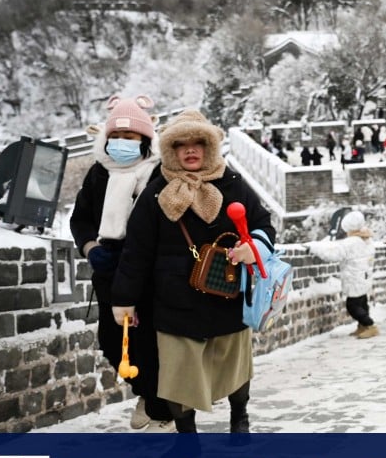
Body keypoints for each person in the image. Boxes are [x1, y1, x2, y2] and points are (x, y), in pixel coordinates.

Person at [111, 109, 275, 435]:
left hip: (226, 290)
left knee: (235, 363)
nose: (190, 150)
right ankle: (187, 437)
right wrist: (124, 299)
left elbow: (263, 225)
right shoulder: (156, 193)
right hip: (174, 300)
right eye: (180, 144)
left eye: (198, 142)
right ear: (170, 150)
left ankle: (239, 418)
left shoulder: (233, 184)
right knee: (178, 374)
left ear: (209, 147)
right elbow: (136, 251)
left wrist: (253, 248)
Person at [70, 94, 172, 432]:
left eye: (129, 136)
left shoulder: (159, 173)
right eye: (115, 136)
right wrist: (90, 248)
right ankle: (146, 393)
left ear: (145, 139)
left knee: (150, 343)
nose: (121, 142)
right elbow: (81, 218)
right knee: (113, 342)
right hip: (108, 269)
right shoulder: (99, 173)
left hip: (149, 269)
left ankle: (162, 410)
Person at [309, 211, 378, 339]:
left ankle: (370, 325)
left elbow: (332, 255)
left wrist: (314, 248)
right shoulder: (367, 240)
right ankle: (362, 326)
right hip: (364, 275)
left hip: (353, 277)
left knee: (352, 305)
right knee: (362, 302)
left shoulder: (350, 242)